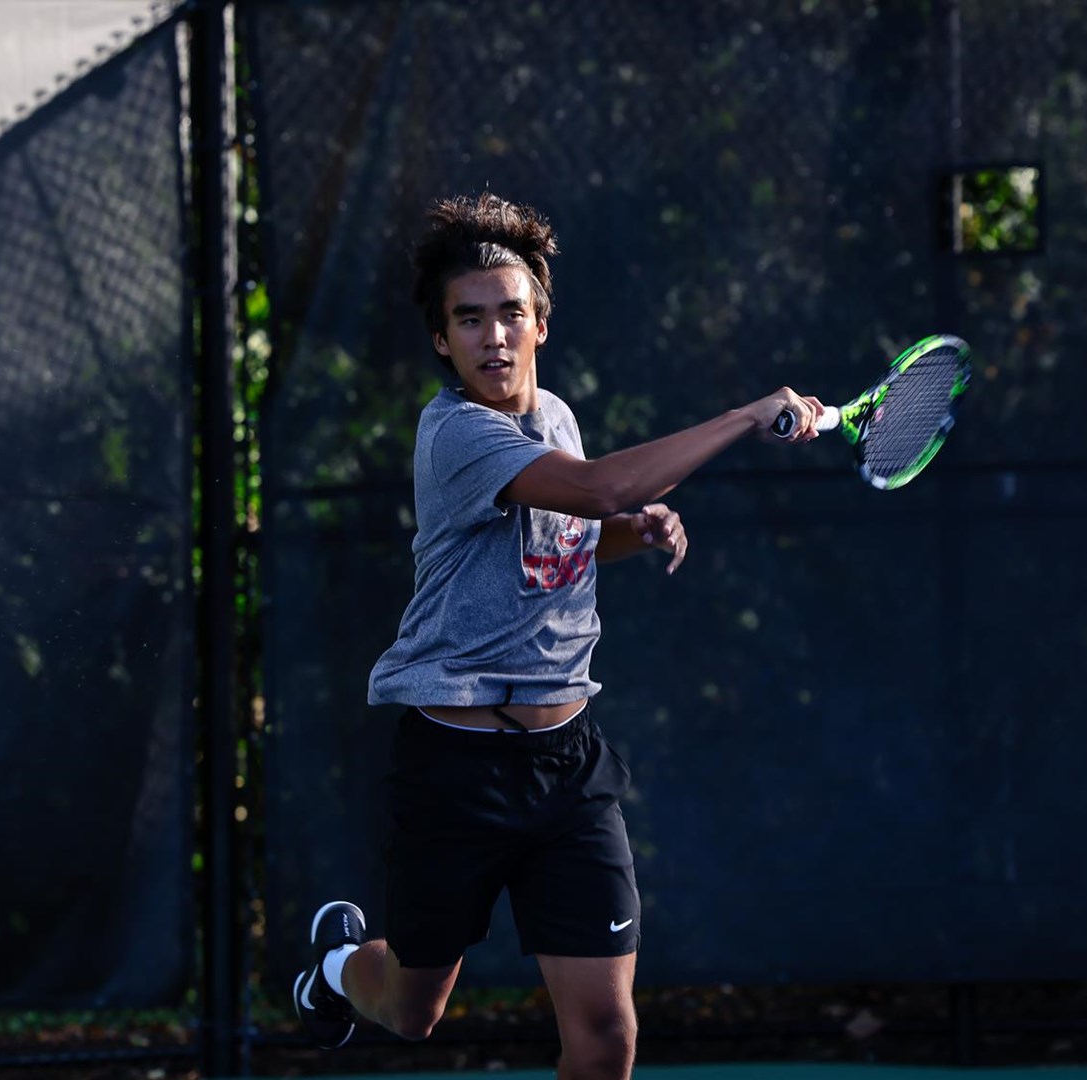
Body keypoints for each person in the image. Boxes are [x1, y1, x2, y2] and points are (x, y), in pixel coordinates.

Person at [291, 193, 825, 1080]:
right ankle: (341, 967)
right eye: (469, 320)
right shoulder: (457, 433)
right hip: (453, 771)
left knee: (608, 1036)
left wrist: (631, 531)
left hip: (568, 770)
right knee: (412, 1012)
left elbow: (573, 532)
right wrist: (742, 417)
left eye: (510, 314)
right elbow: (597, 491)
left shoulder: (558, 421)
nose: (493, 337)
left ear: (541, 322)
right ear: (442, 340)